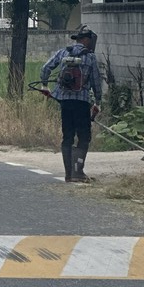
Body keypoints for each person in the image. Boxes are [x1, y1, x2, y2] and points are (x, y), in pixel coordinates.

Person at [41, 25, 103, 184]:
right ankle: (78, 172)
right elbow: (96, 82)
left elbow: (46, 68)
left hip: (65, 102)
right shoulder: (90, 57)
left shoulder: (63, 52)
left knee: (67, 136)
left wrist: (45, 86)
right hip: (82, 102)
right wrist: (97, 102)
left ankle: (69, 174)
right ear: (86, 39)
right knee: (83, 136)